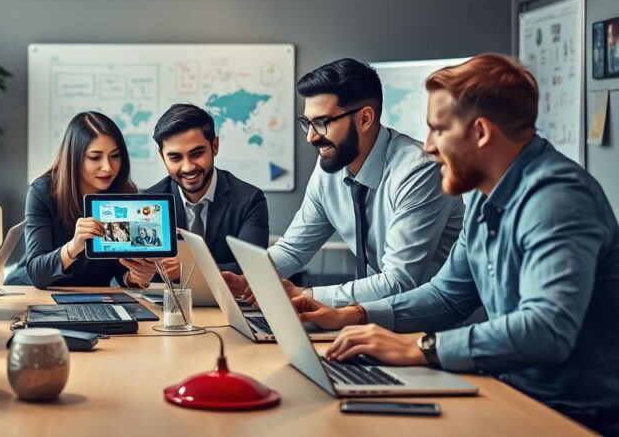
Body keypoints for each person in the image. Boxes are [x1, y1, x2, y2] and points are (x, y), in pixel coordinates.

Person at [291, 54, 619, 432]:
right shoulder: (483, 192)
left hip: (577, 416)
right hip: (509, 391)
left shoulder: (556, 199)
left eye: (439, 130)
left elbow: (546, 330)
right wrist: (355, 315)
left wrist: (422, 348)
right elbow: (450, 295)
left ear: (480, 133)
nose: (428, 146)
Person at [223, 59, 463, 307]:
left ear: (365, 119)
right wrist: (249, 280)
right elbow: (293, 250)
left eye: (321, 123)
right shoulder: (332, 165)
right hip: (372, 317)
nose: (311, 136)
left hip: (431, 324)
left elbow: (399, 281)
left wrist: (306, 297)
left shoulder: (420, 171)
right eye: (307, 122)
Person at [4, 112, 158, 289]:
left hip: (93, 298)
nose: (108, 167)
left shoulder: (123, 194)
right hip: (32, 291)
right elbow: (38, 274)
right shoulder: (42, 192)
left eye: (115, 155)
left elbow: (119, 271)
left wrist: (135, 276)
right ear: (74, 158)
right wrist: (74, 246)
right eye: (95, 157)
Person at [143, 103, 269, 274]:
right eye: (175, 157)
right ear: (162, 156)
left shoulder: (249, 200)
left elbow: (253, 268)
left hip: (229, 300)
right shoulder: (149, 202)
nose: (187, 167)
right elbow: (143, 272)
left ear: (214, 146)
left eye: (196, 154)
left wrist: (187, 269)